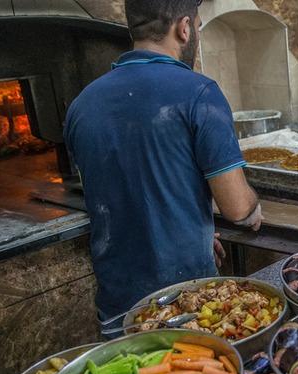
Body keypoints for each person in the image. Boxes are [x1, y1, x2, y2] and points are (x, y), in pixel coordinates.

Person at [64, 0, 263, 337]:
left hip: (118, 307)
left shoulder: (82, 104)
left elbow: (132, 184)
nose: (195, 33)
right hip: (182, 305)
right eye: (197, 27)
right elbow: (237, 209)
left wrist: (195, 234)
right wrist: (253, 209)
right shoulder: (200, 93)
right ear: (184, 27)